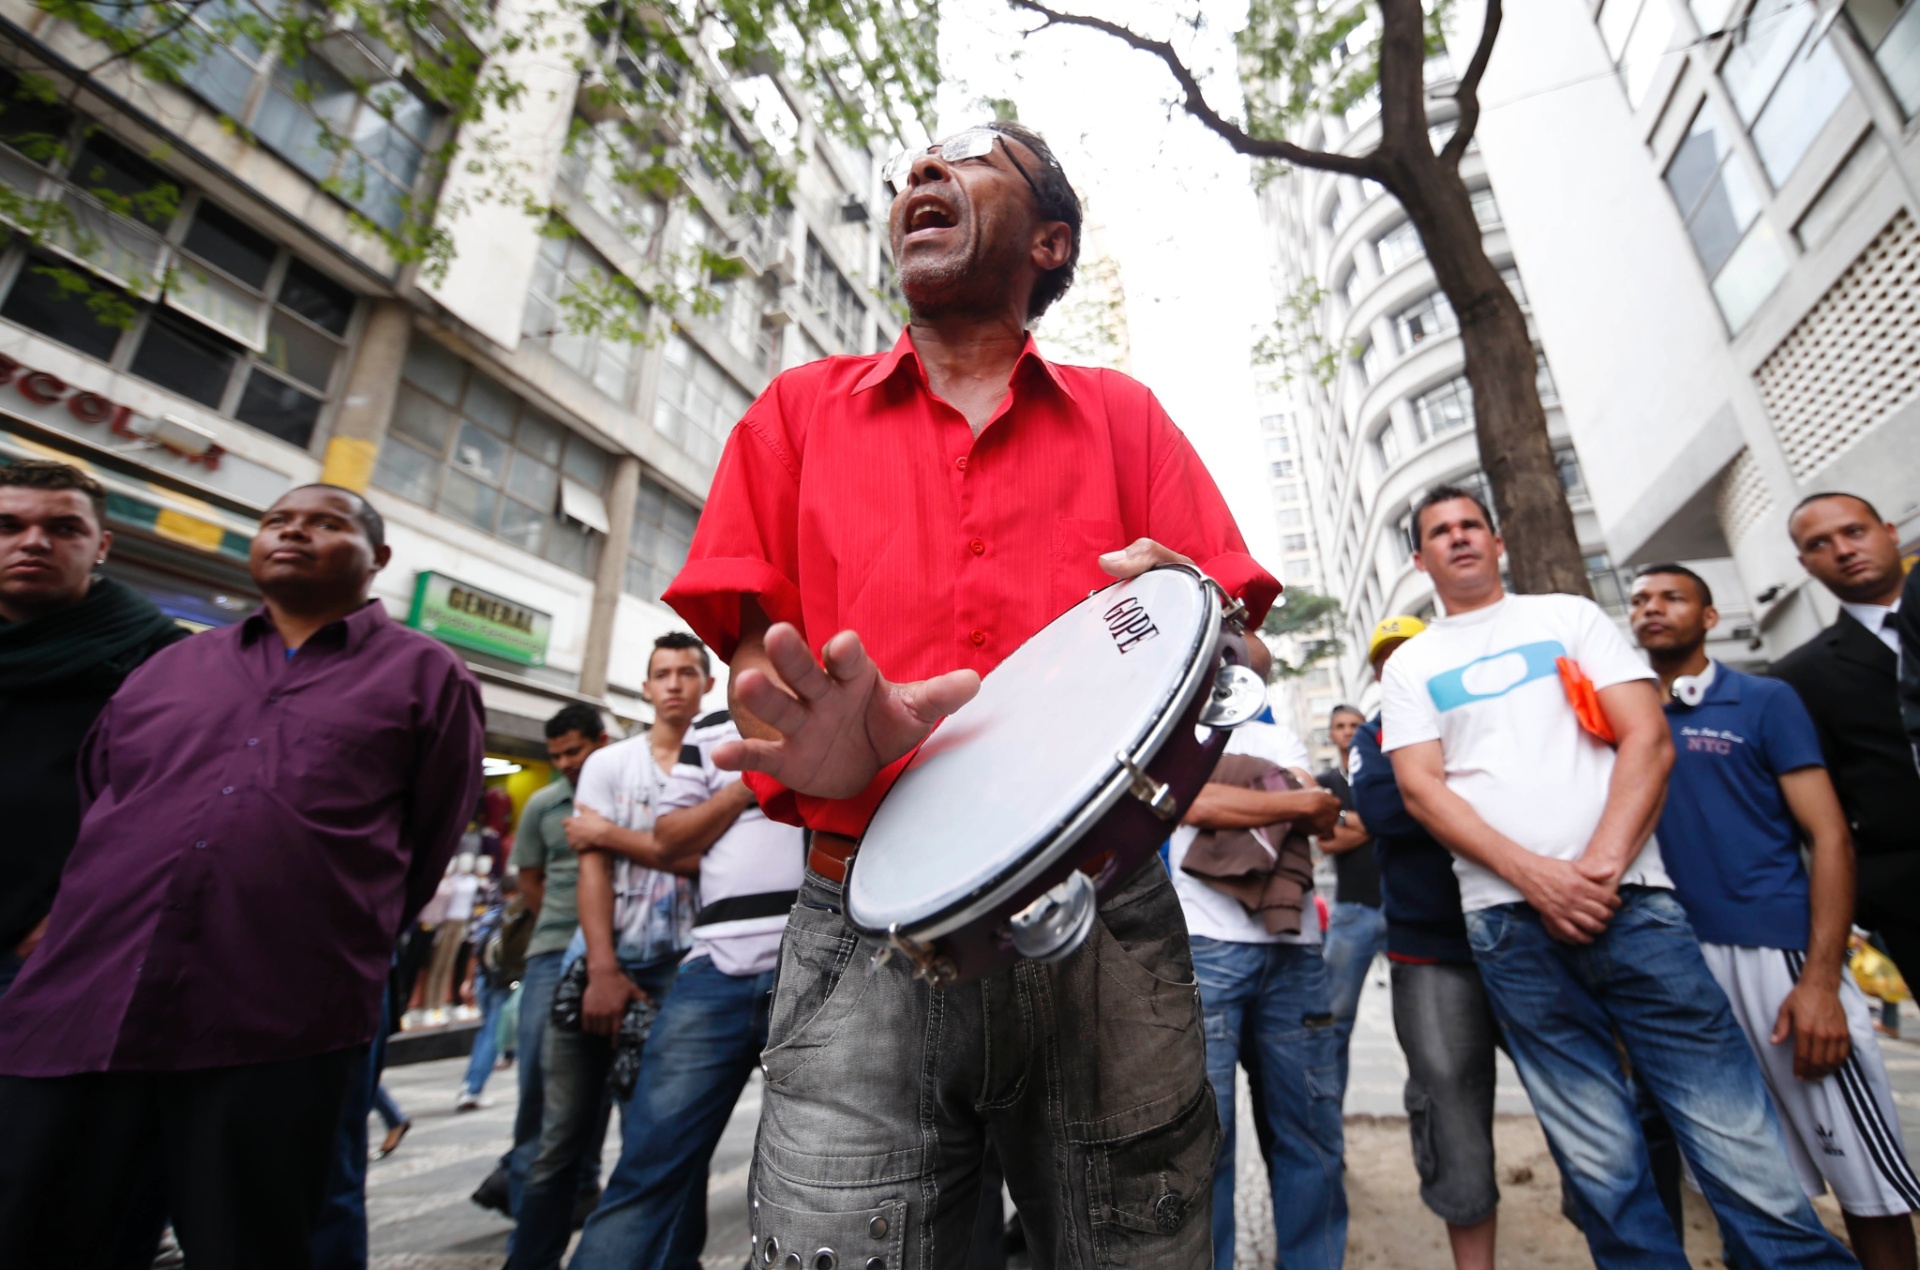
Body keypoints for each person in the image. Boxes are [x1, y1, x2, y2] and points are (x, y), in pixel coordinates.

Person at [662, 119, 1278, 1265]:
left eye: (968, 156)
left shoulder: (1125, 415)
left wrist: (1198, 626)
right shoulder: (796, 410)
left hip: (1107, 923)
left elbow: (1232, 641)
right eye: (909, 171)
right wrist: (808, 743)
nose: (920, 176)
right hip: (858, 918)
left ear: (1049, 240)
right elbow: (757, 670)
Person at [0, 483, 484, 1268]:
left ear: (378, 559)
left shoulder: (427, 677)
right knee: (44, 1232)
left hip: (276, 1020)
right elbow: (105, 805)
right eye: (276, 521)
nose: (295, 532)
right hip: (87, 1008)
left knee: (250, 1241)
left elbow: (425, 844)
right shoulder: (168, 668)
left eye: (327, 523)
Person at [1380, 484, 1851, 1269]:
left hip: (1636, 906)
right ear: (1421, 558)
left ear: (1498, 543)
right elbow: (1423, 790)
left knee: (1737, 1142)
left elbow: (1648, 741)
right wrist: (1537, 878)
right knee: (1600, 1162)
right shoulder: (1414, 664)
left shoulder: (1568, 616)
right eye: (1440, 531)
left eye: (1471, 525)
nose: (1459, 538)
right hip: (1508, 925)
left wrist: (1598, 866)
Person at [1632, 563, 1920, 1269]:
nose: (1651, 609)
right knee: (1747, 1192)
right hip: (1684, 972)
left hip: (1784, 963)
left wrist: (1822, 981)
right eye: (1638, 601)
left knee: (1869, 1185)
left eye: (1672, 597)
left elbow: (1829, 837)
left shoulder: (1765, 700)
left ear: (1709, 615)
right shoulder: (1625, 724)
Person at [567, 669, 806, 1268]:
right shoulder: (709, 728)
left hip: (819, 967)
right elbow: (670, 839)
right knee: (650, 1166)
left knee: (817, 1178)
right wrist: (743, 787)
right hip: (713, 970)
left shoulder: (832, 705)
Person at [508, 633, 716, 1269]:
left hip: (685, 972)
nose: (675, 683)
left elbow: (706, 863)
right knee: (558, 1142)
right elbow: (590, 866)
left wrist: (615, 835)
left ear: (709, 684)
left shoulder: (723, 765)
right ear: (646, 687)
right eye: (663, 673)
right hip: (598, 962)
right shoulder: (608, 764)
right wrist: (600, 968)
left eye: (688, 672)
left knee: (665, 1144)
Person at [0, 459, 184, 996]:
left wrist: (76, 915)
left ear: (101, 545)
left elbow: (175, 810)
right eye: (9, 526)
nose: (34, 543)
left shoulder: (165, 661)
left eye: (63, 528)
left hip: (45, 952)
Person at [1168, 716, 1346, 1270]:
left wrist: (1223, 793)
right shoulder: (1171, 727)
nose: (1240, 634)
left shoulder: (1278, 735)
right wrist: (1288, 799)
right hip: (1207, 949)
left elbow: (1323, 812)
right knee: (1205, 1143)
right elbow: (1193, 806)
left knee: (1311, 1133)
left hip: (1295, 948)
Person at [1773, 493, 1920, 989]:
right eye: (1820, 543)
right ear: (1804, 563)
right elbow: (1826, 806)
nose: (1842, 549)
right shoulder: (1798, 677)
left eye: (1854, 532)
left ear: (1889, 530)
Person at [475, 704, 615, 1221]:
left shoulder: (626, 792)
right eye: (555, 755)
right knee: (537, 1071)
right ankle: (526, 1180)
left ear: (601, 742)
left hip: (614, 950)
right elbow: (528, 879)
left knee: (597, 1074)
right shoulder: (541, 804)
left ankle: (582, 1183)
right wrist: (561, 921)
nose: (565, 763)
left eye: (573, 751)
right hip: (551, 950)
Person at [1317, 702, 1383, 1099]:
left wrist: (1346, 818)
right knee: (1335, 1021)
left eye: (1354, 725)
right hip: (1351, 908)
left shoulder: (1379, 773)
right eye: (1339, 725)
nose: (1347, 731)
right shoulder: (1325, 781)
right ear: (1331, 733)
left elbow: (1403, 819)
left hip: (1398, 903)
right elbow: (1327, 841)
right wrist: (1379, 823)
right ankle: (1330, 1123)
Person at [458, 859, 510, 1111]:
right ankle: (472, 1088)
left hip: (484, 978)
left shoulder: (490, 913)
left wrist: (468, 981)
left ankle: (470, 1084)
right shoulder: (519, 913)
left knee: (486, 1030)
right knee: (492, 1033)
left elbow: (475, 950)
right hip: (505, 981)